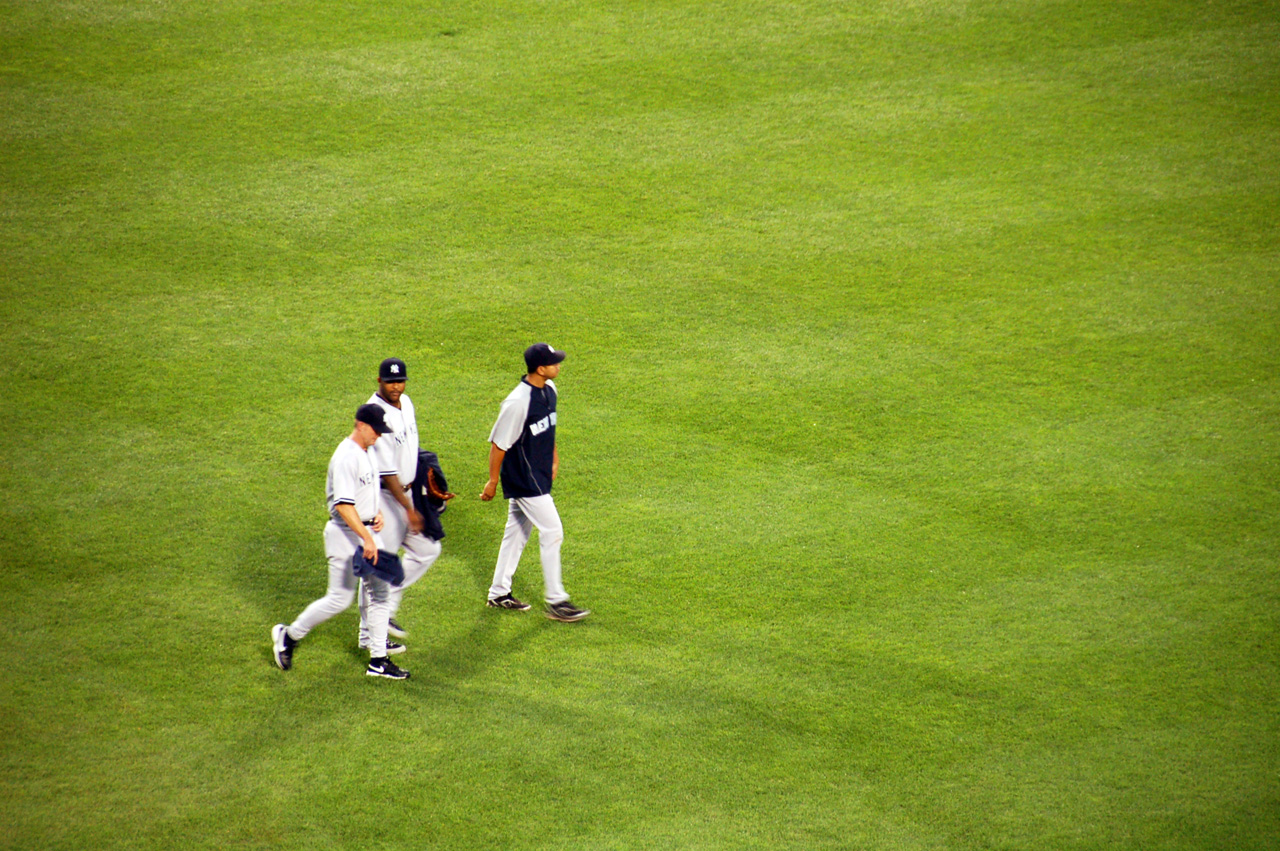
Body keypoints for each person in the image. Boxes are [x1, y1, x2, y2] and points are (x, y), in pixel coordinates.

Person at [272, 403, 410, 680]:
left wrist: (377, 514)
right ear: (360, 425)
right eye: (376, 430)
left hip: (366, 533)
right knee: (339, 598)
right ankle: (288, 635)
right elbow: (344, 506)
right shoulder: (347, 457)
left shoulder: (365, 451)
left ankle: (378, 659)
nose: (379, 436)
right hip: (346, 536)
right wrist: (367, 535)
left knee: (380, 594)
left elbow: (364, 495)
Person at [480, 343, 590, 622]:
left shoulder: (550, 390)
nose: (559, 365)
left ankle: (498, 593)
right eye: (554, 362)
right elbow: (498, 445)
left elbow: (547, 428)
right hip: (524, 478)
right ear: (541, 369)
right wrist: (492, 481)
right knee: (553, 530)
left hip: (538, 474)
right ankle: (557, 601)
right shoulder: (517, 402)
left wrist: (553, 457)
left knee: (516, 533)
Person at [355, 358, 444, 653]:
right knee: (378, 565)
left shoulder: (407, 402)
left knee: (428, 549)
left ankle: (385, 613)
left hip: (407, 494)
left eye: (401, 381)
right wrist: (408, 509)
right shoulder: (375, 416)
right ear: (378, 380)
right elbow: (387, 473)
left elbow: (412, 449)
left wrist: (425, 476)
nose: (396, 387)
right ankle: (369, 637)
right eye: (391, 381)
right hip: (385, 499)